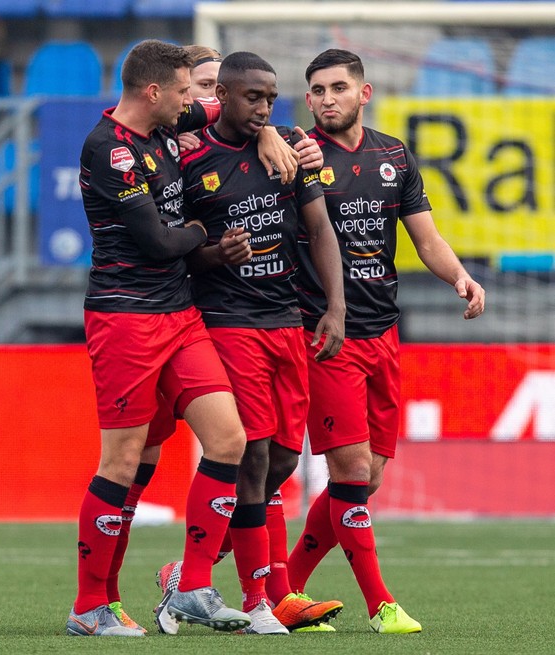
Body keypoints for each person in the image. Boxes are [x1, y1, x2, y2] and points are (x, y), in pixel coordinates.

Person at [69, 38, 311, 638]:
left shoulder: (167, 125)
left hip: (180, 316)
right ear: (154, 93)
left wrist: (270, 132)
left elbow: (239, 109)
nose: (194, 100)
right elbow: (158, 241)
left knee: (229, 440)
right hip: (126, 318)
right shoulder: (111, 150)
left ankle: (195, 585)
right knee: (123, 461)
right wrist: (207, 229)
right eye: (185, 90)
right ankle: (89, 605)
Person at [286, 48, 486, 634]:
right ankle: (381, 605)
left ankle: (288, 586)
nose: (327, 99)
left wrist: (459, 276)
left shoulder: (393, 155)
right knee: (348, 472)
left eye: (338, 88)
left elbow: (425, 238)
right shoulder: (297, 157)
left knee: (366, 478)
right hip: (325, 333)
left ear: (363, 93)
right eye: (317, 90)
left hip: (383, 332)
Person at [153, 50, 346, 636]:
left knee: (284, 459)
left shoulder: (288, 148)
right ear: (224, 97)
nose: (263, 107)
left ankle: (185, 578)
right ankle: (258, 597)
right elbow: (180, 246)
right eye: (251, 97)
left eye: (270, 97)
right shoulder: (191, 158)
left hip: (288, 319)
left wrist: (334, 308)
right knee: (252, 456)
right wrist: (216, 253)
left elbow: (318, 229)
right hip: (229, 322)